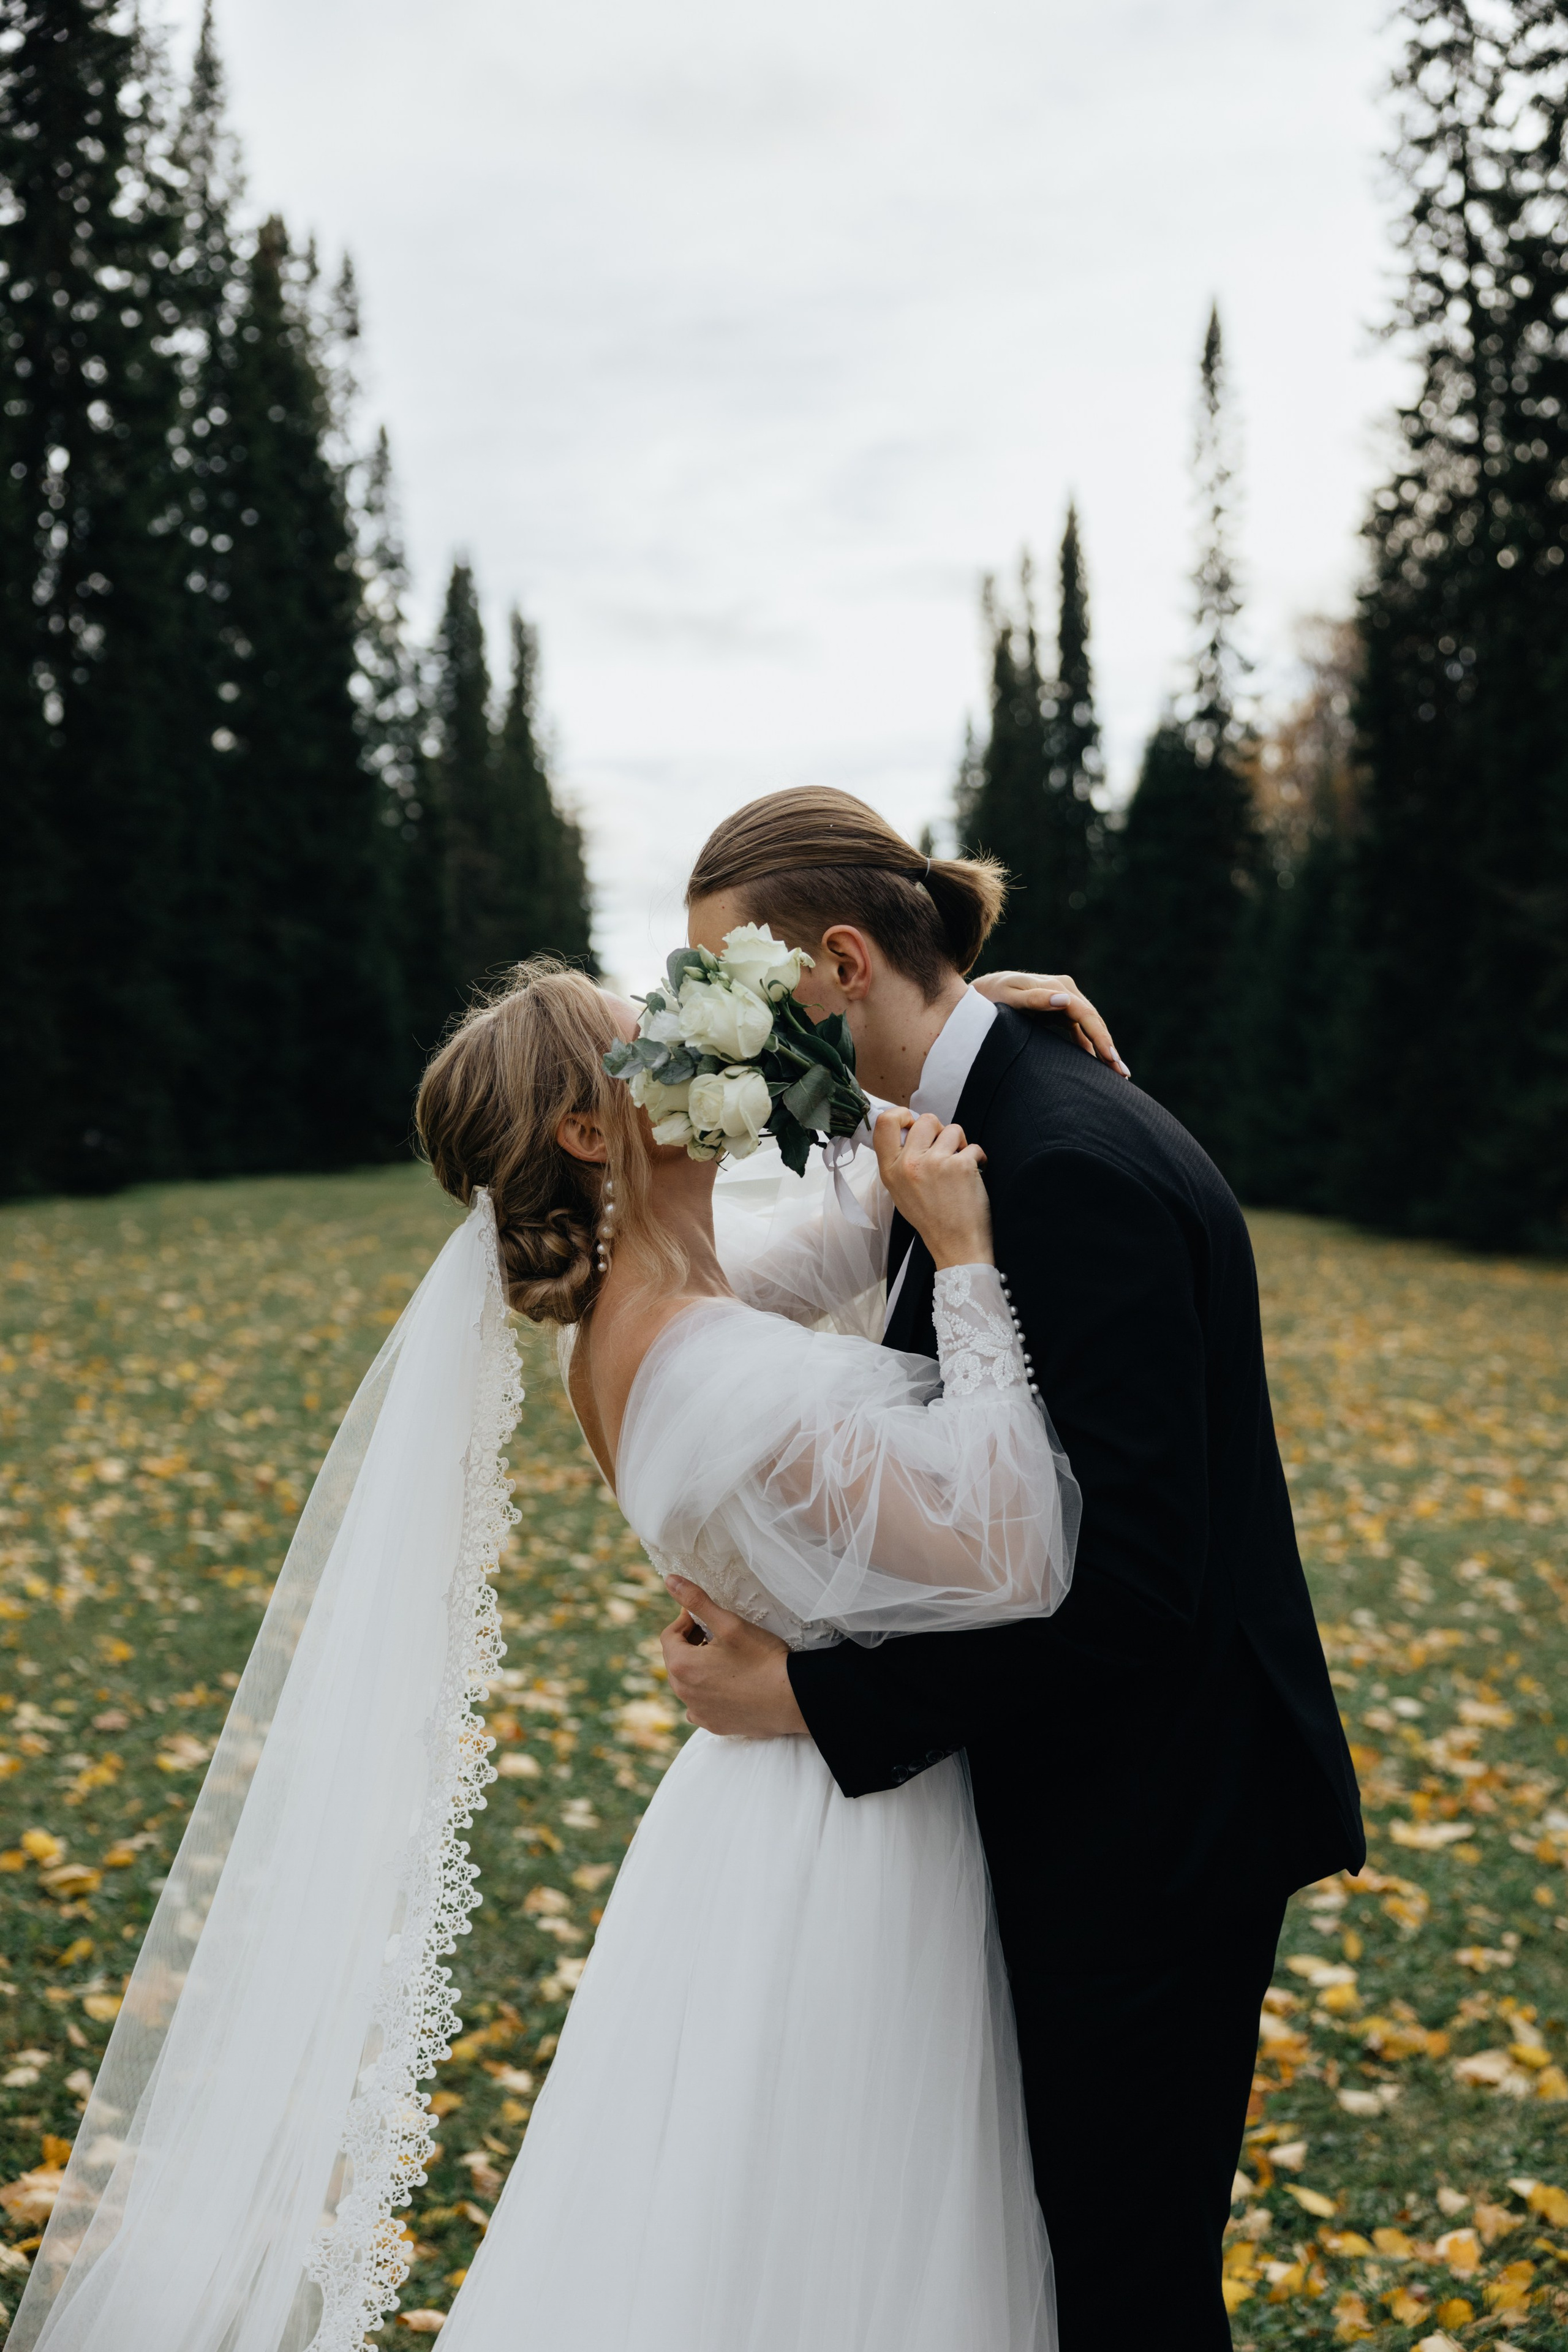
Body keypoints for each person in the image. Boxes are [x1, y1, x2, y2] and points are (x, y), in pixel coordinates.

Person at [664, 786, 1365, 2351]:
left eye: (739, 994)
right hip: (1098, 1789)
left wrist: (812, 1699)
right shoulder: (975, 1122)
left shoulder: (1063, 1170)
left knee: (1124, 2282)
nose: (727, 1041)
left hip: (1155, 1822)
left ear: (840, 964)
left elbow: (1133, 1586)